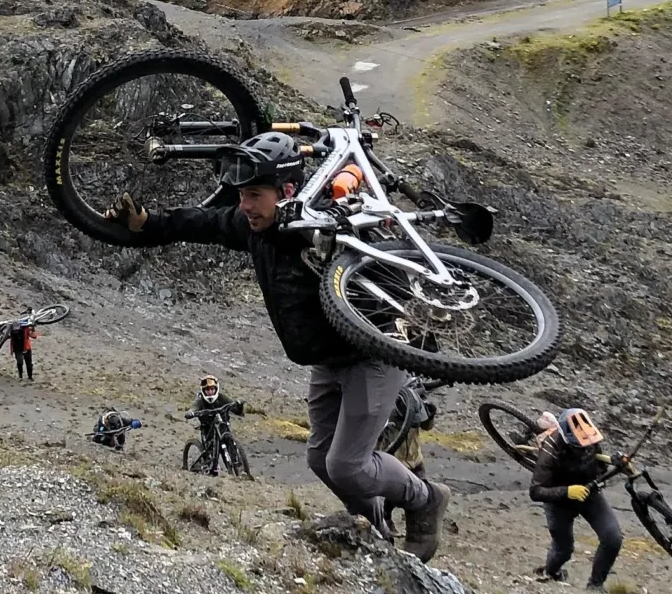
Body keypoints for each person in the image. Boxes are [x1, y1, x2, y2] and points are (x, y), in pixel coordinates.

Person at [116, 132, 448, 557]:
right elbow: (203, 223)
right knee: (320, 460)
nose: (245, 206)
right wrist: (147, 223)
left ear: (287, 191)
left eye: (255, 195)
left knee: (346, 466)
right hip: (326, 363)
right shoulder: (253, 226)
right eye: (241, 195)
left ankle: (425, 499)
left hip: (370, 358)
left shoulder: (326, 225)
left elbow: (389, 273)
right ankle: (377, 531)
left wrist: (418, 331)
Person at [525, 407, 624, 588]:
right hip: (559, 504)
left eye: (586, 445)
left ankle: (595, 586)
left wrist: (615, 463)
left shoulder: (590, 439)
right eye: (578, 446)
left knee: (613, 538)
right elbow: (536, 491)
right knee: (564, 550)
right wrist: (567, 491)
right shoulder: (549, 451)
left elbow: (600, 467)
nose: (584, 448)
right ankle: (552, 572)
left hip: (588, 495)